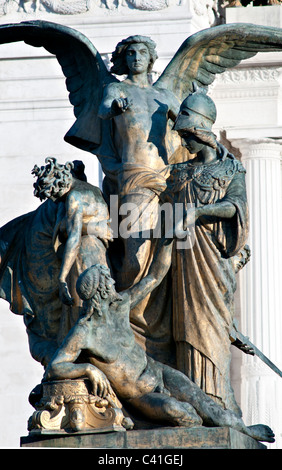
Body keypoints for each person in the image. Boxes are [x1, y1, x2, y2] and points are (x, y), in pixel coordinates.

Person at [43, 258, 274, 443]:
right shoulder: (84, 332)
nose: (114, 284)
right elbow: (55, 366)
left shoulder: (120, 306)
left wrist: (168, 239)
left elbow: (153, 277)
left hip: (158, 371)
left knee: (205, 403)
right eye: (109, 282)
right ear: (102, 291)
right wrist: (89, 370)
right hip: (140, 395)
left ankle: (245, 430)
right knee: (182, 413)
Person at [98, 35, 182, 365]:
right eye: (129, 53)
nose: (135, 57)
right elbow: (103, 111)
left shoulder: (165, 95)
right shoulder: (115, 91)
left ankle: (168, 342)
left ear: (151, 58)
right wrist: (114, 109)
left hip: (172, 183)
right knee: (136, 256)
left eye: (141, 52)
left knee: (174, 257)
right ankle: (129, 331)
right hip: (132, 179)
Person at [169, 84, 249, 416]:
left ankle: (218, 405)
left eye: (187, 133)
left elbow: (236, 206)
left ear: (201, 132)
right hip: (180, 260)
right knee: (184, 328)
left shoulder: (230, 170)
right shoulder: (176, 172)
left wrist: (199, 212)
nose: (182, 140)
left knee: (212, 329)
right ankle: (192, 404)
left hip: (211, 261)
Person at [0, 157, 112, 366]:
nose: (55, 200)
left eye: (54, 194)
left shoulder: (74, 197)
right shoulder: (88, 190)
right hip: (92, 259)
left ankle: (83, 366)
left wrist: (61, 278)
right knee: (85, 318)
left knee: (82, 316)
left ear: (60, 183)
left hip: (82, 261)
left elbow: (74, 238)